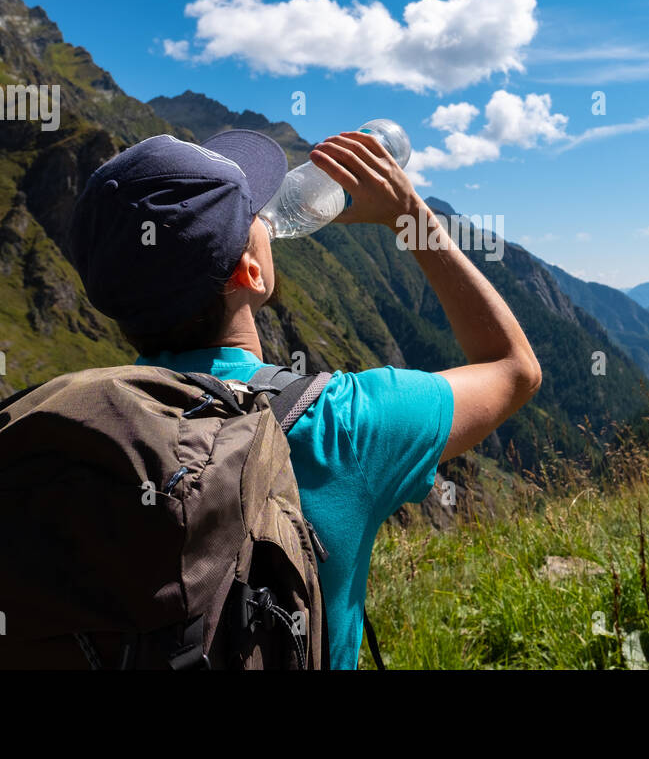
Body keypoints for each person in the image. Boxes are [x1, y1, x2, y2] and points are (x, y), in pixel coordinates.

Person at [68, 127, 541, 669]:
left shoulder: (85, 430)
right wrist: (409, 212)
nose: (267, 210)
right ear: (250, 270)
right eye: (252, 210)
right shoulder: (343, 424)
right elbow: (514, 368)